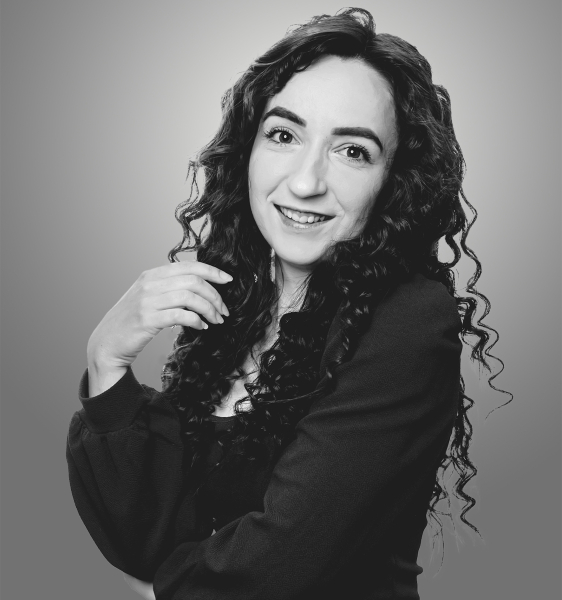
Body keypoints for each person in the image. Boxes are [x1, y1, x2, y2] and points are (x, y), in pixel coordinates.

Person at [66, 8, 502, 600]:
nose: (304, 182)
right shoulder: (237, 302)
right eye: (284, 135)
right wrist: (106, 361)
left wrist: (156, 590)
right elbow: (142, 536)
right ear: (248, 149)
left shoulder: (408, 321)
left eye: (353, 151)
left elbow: (283, 566)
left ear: (393, 180)